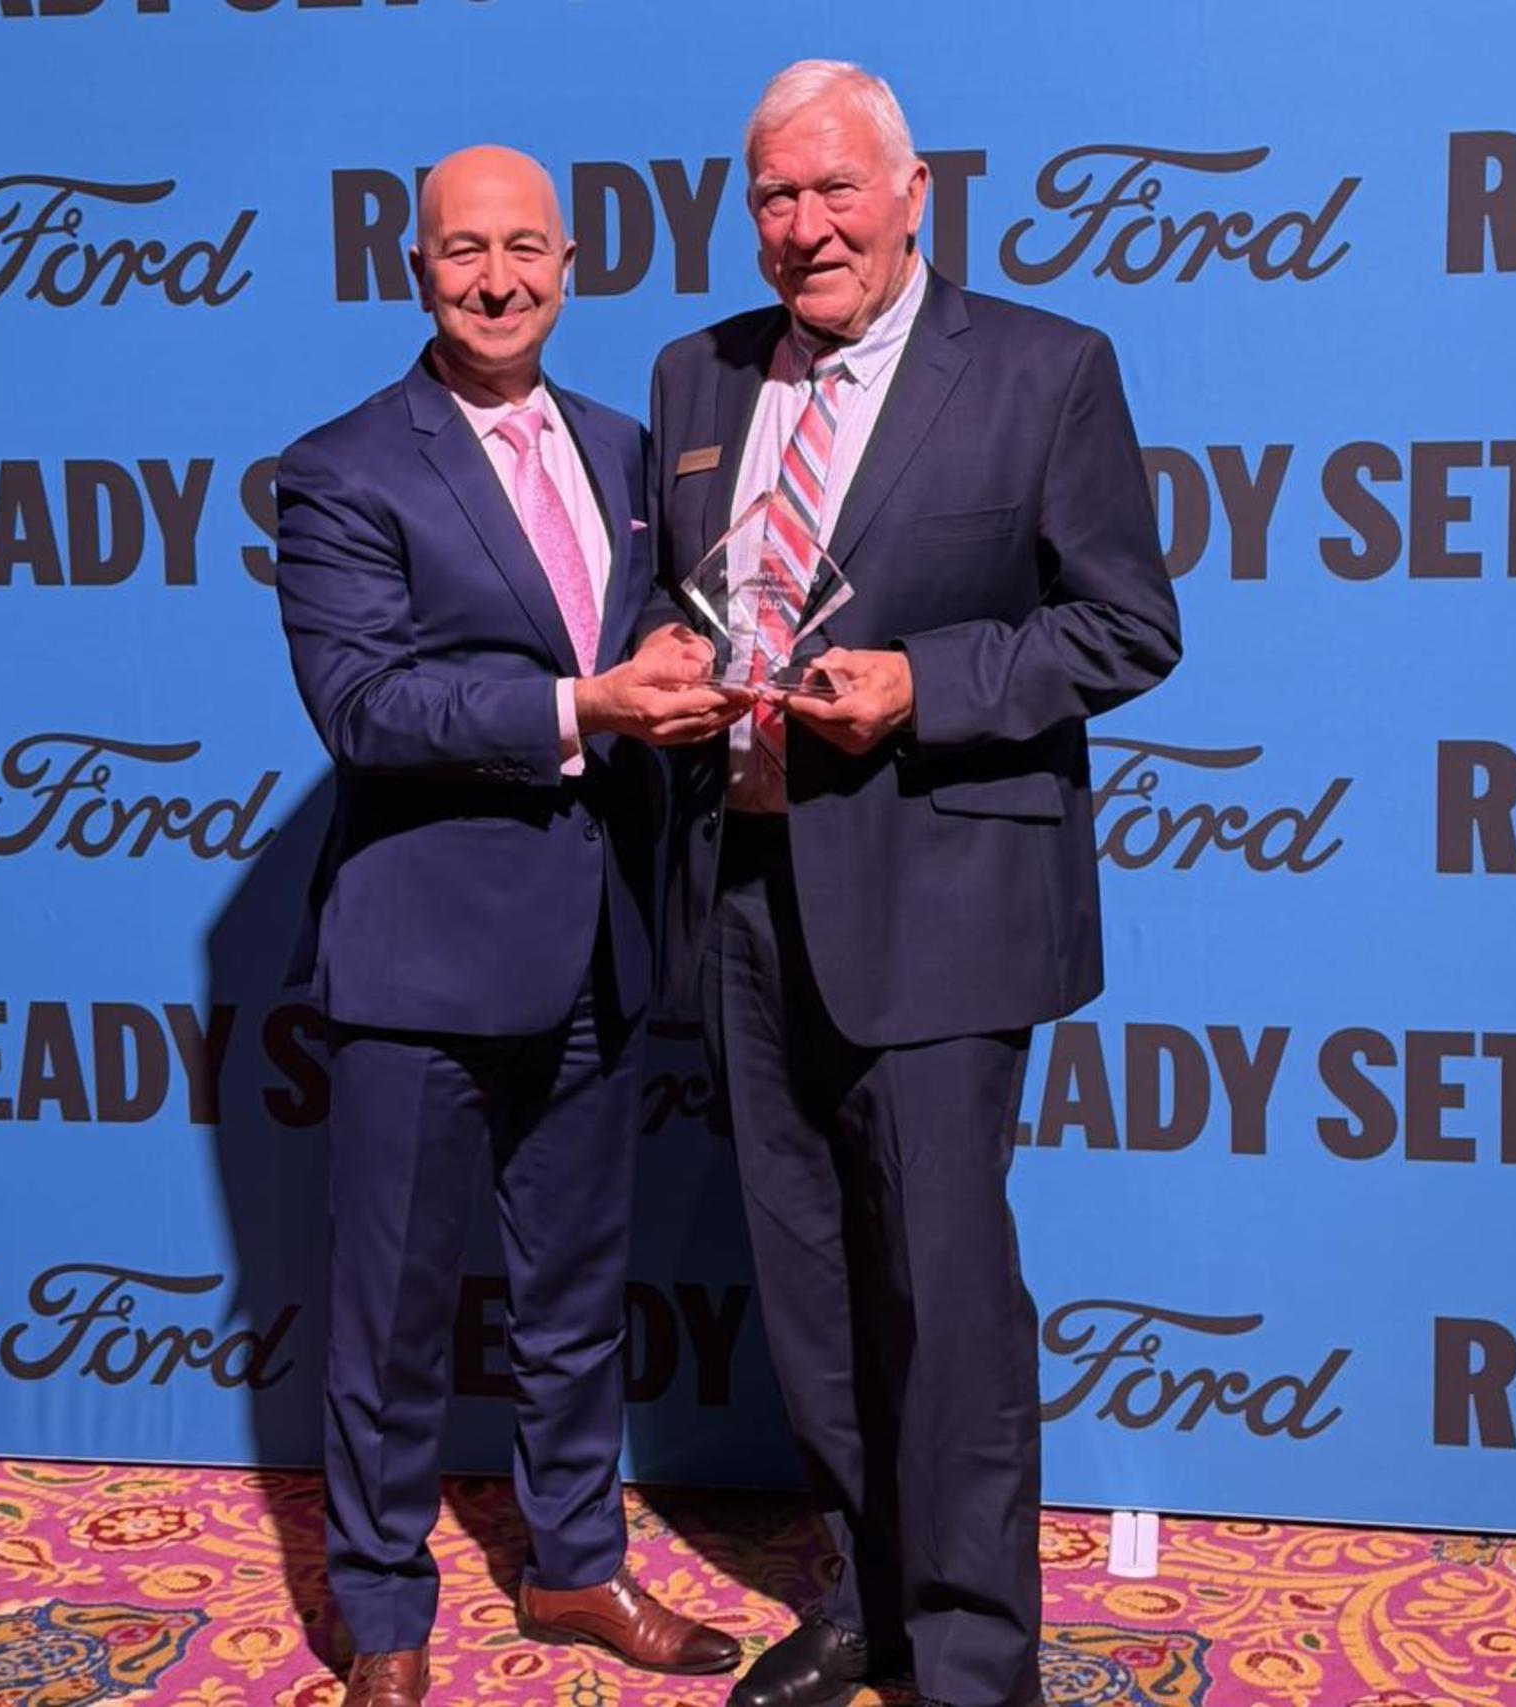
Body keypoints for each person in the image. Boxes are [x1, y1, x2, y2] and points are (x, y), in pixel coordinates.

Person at [639, 62, 1183, 1707]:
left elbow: (1127, 625)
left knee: (943, 1300)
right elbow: (684, 594)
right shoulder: (695, 376)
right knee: (805, 1292)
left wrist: (924, 686)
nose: (806, 230)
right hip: (741, 885)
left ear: (913, 193)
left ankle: (970, 1659)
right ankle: (865, 1597)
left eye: (834, 192)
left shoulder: (1044, 371)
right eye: (776, 200)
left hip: (942, 904)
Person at [275, 144, 743, 1707]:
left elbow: (676, 630)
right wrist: (583, 704)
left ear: (568, 265)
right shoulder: (343, 466)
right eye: (464, 250)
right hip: (418, 957)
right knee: (391, 1316)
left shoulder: (629, 451)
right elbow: (363, 703)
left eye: (526, 248)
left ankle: (571, 1571)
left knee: (572, 1300)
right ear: (415, 268)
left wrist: (692, 671)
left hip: (598, 943)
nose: (497, 278)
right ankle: (386, 1617)